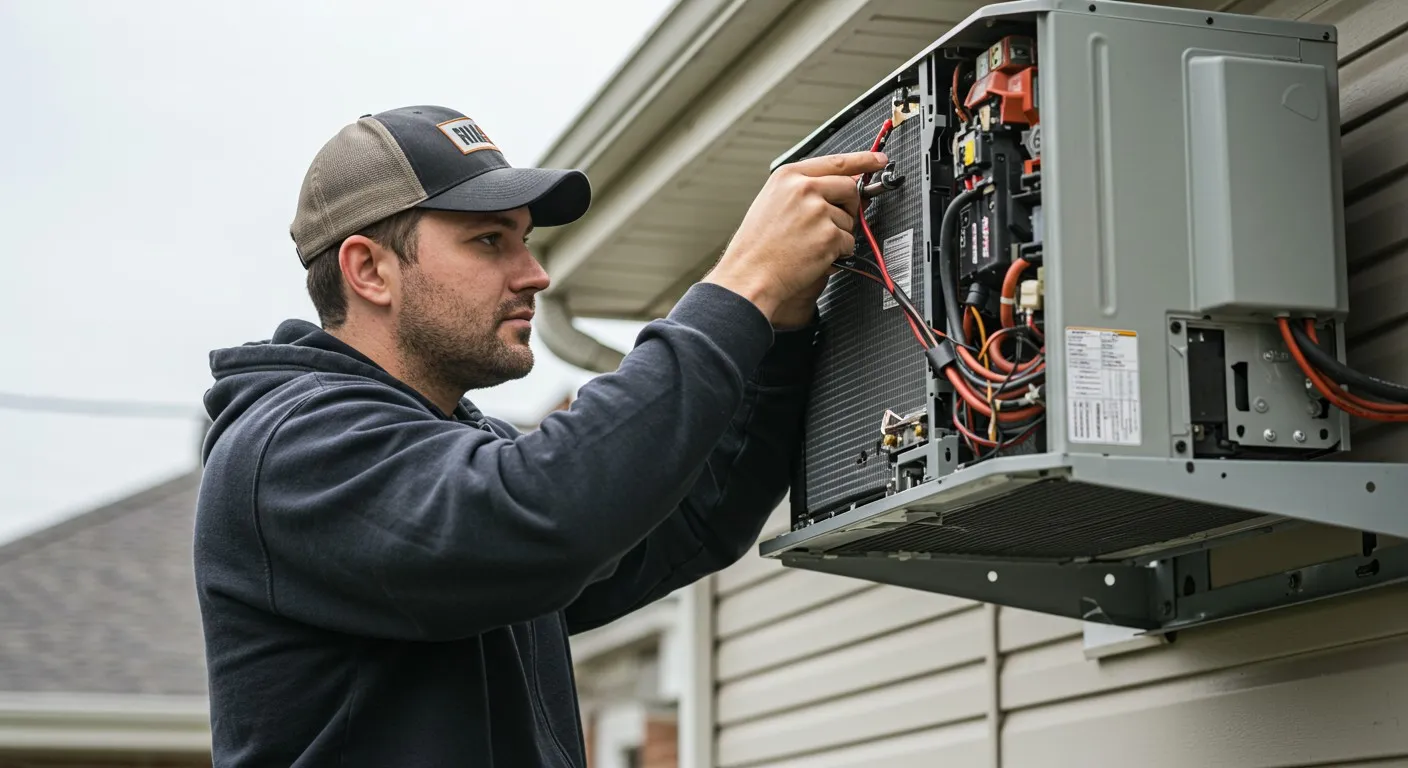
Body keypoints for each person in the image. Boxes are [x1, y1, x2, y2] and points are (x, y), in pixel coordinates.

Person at [193, 104, 885, 766]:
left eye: (524, 240)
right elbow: (546, 510)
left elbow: (699, 514)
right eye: (489, 240)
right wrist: (742, 286)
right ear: (369, 270)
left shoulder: (459, 460)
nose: (534, 273)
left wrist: (784, 326)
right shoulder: (289, 448)